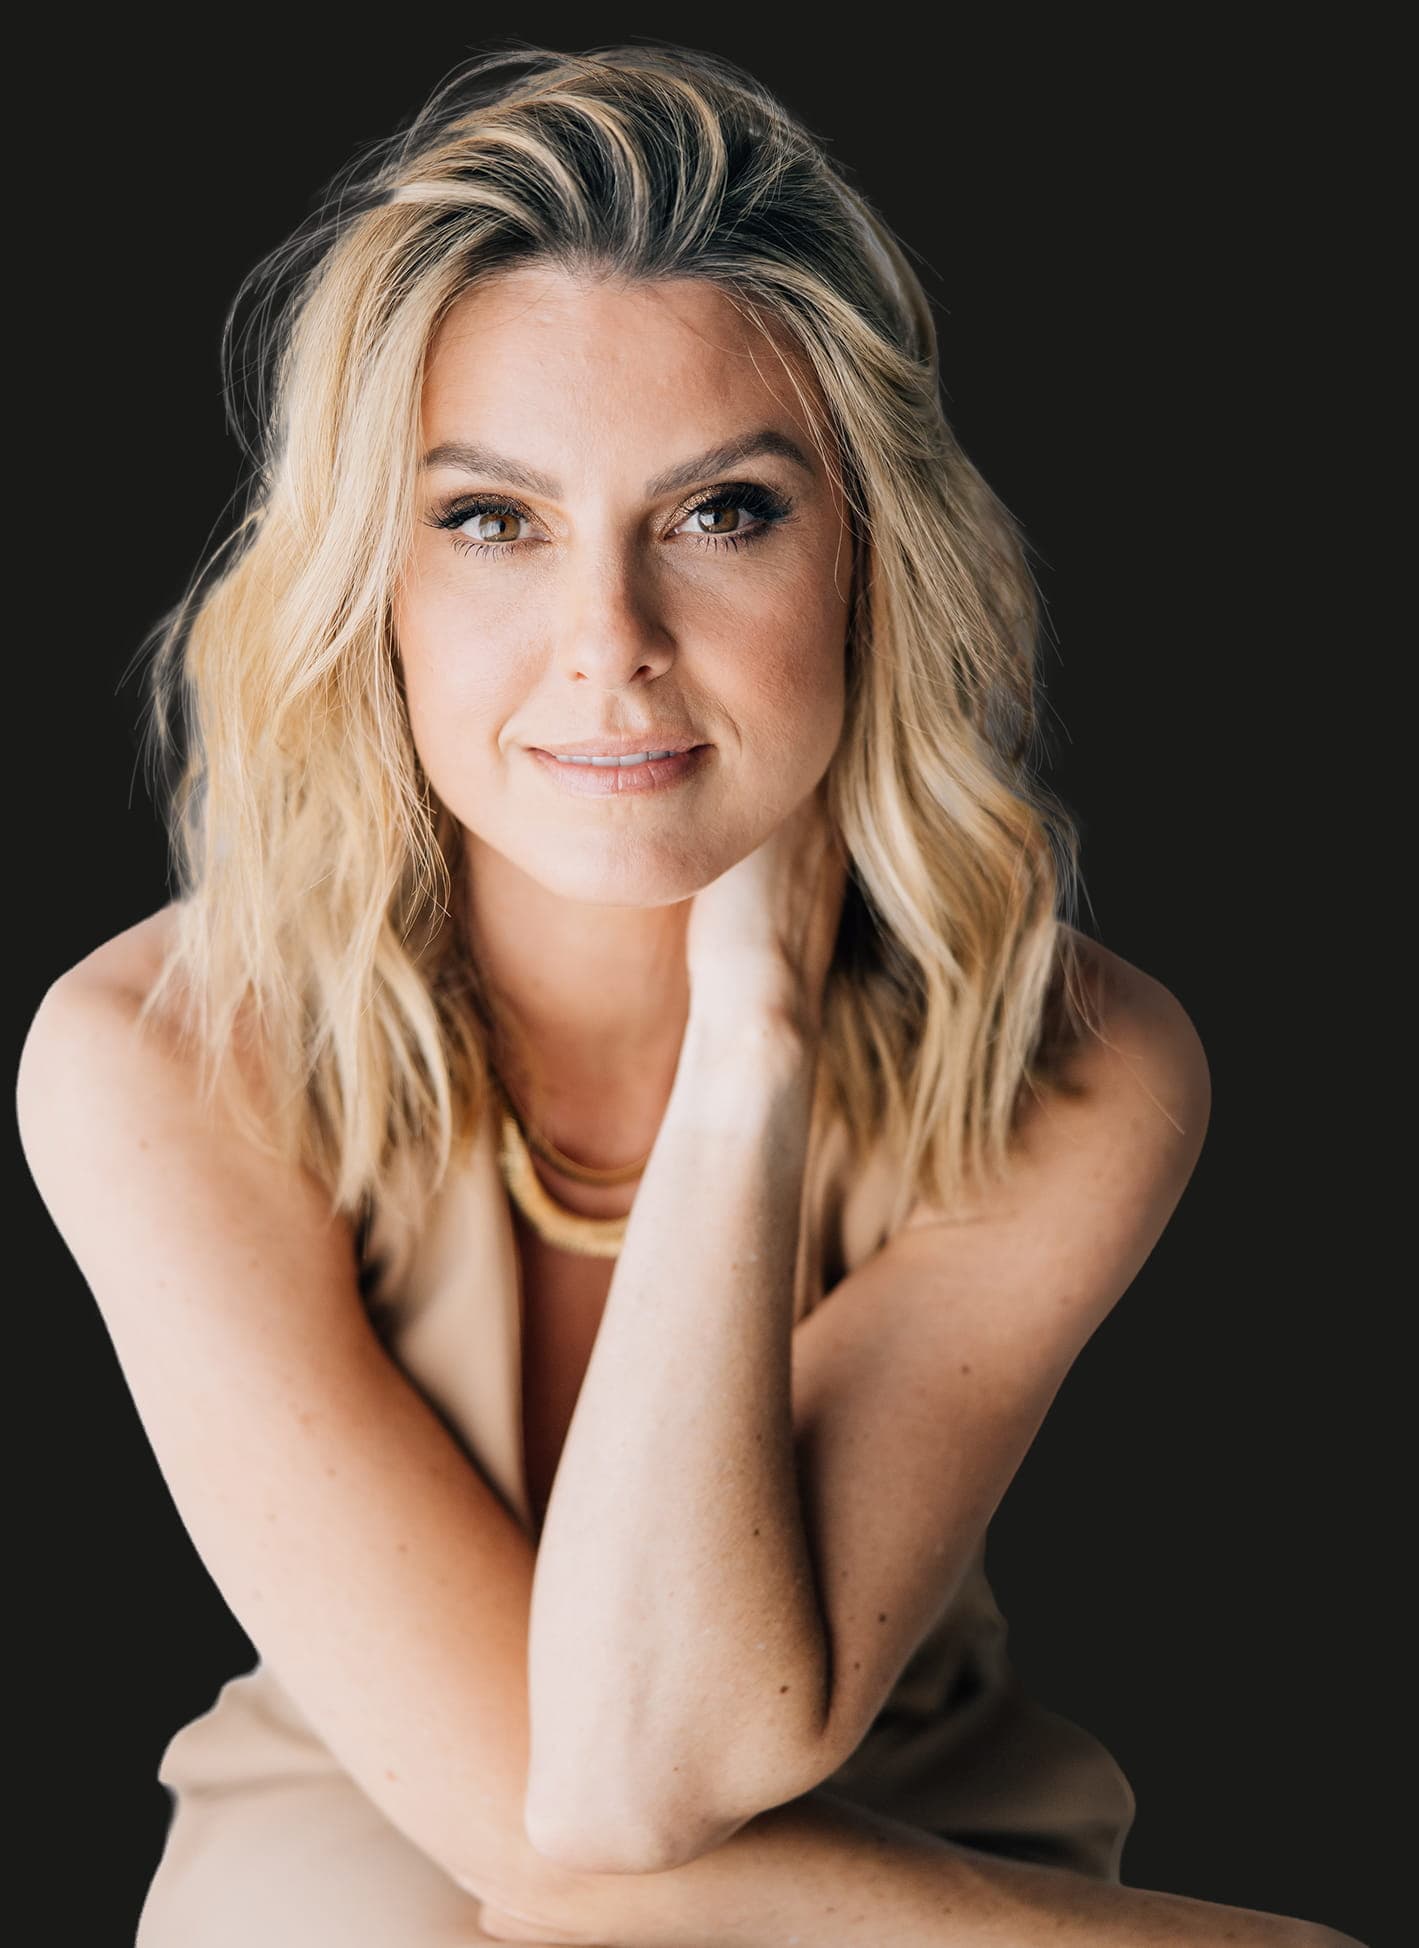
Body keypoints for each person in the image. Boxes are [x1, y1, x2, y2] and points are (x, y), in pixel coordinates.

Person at [15, 40, 1362, 1948]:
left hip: (903, 1828)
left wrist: (756, 1038)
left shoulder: (1080, 1064)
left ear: (870, 561)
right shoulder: (156, 1059)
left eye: (723, 512)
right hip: (382, 1817)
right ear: (365, 584)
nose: (611, 651)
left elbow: (664, 1759)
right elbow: (573, 1823)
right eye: (490, 519)